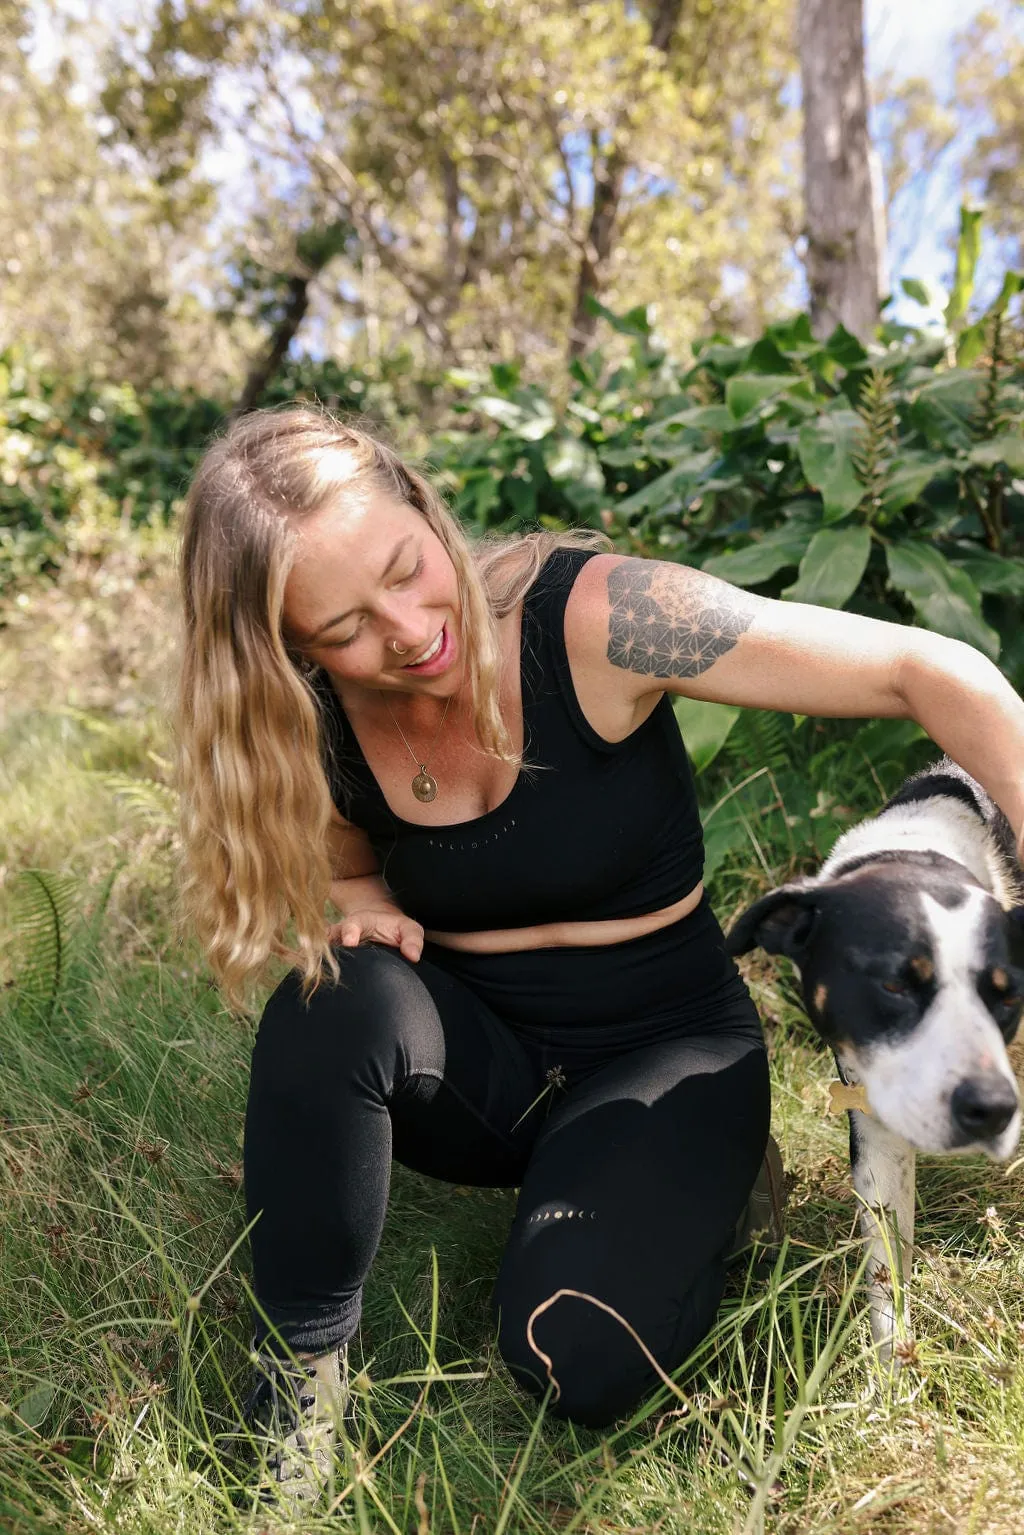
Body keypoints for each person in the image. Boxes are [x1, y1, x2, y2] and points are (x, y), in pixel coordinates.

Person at [176, 404, 1024, 1508]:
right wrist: (356, 897)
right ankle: (298, 1393)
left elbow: (932, 671)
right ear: (288, 646)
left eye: (405, 565)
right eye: (341, 625)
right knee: (325, 996)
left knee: (572, 1356)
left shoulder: (601, 617)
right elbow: (342, 855)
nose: (405, 627)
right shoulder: (311, 707)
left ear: (426, 507)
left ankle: (692, 1188)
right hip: (486, 1064)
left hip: (664, 1052)